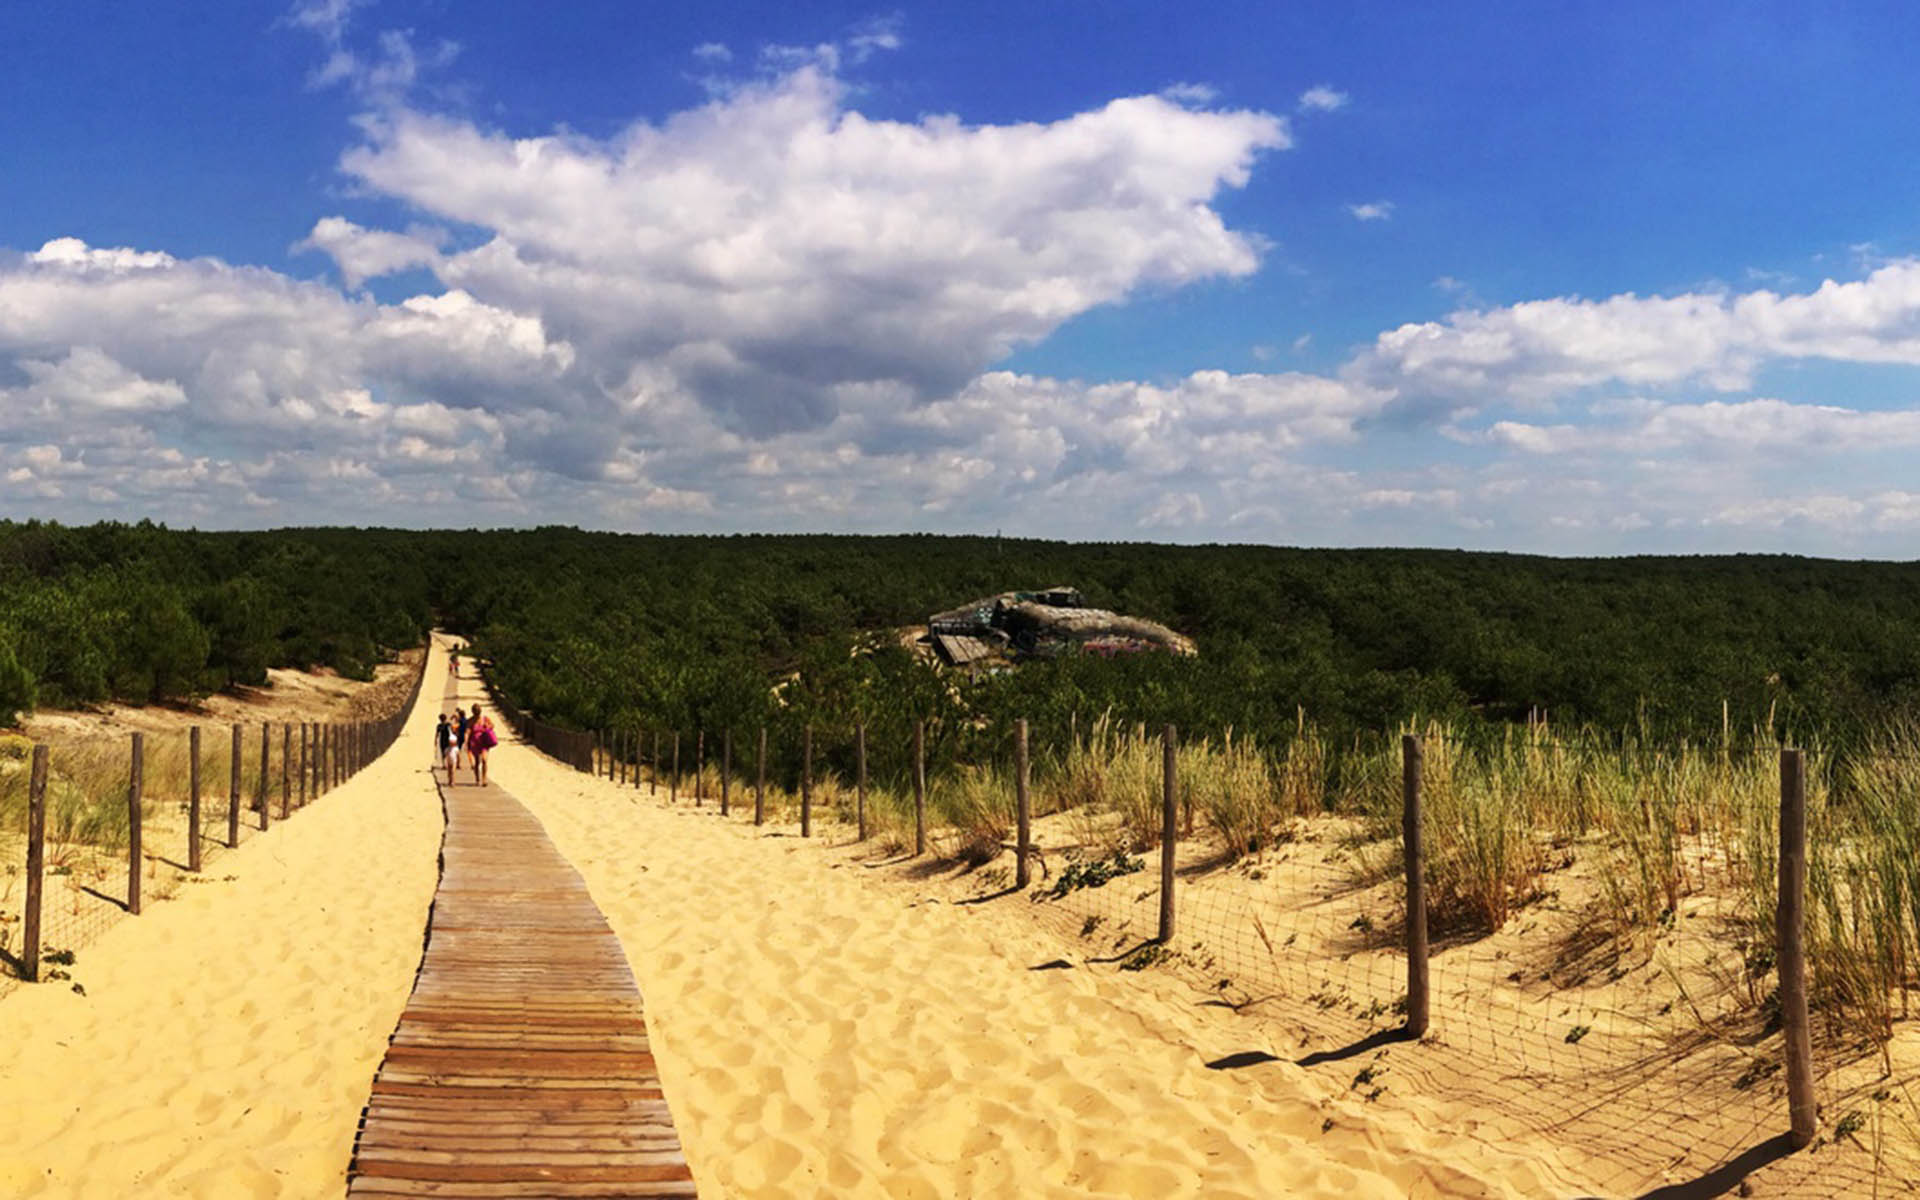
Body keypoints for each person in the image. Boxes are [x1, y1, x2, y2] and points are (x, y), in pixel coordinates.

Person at [468, 704, 496, 786]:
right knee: (477, 762)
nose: (477, 714)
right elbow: (468, 732)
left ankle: (484, 779)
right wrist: (466, 742)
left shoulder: (485, 719)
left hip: (484, 742)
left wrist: (488, 726)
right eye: (476, 712)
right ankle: (477, 779)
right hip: (475, 743)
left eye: (478, 712)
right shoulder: (470, 721)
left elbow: (492, 725)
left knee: (484, 760)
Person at [435, 712, 457, 778]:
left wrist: (435, 741)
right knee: (448, 752)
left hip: (442, 740)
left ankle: (444, 764)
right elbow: (453, 730)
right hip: (448, 739)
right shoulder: (448, 724)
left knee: (443, 752)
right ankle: (447, 764)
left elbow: (437, 734)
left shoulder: (439, 726)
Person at [451, 706, 470, 773]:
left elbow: (455, 726)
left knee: (458, 749)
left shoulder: (460, 721)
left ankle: (458, 764)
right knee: (465, 750)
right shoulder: (466, 720)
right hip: (465, 735)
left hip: (459, 736)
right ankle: (471, 763)